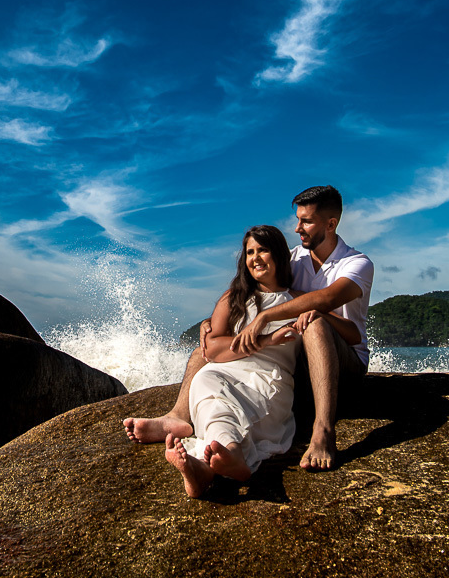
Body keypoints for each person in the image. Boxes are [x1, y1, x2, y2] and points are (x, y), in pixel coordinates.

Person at [125, 185, 374, 471]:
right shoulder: (293, 258)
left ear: (330, 224)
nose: (297, 228)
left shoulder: (356, 263)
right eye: (298, 220)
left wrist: (264, 319)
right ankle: (178, 416)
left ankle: (323, 431)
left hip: (340, 366)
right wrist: (212, 322)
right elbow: (259, 285)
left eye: (306, 221)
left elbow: (327, 300)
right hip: (298, 363)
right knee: (202, 354)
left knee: (315, 321)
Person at [163, 224, 301, 497]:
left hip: (269, 381)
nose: (256, 258)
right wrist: (264, 341)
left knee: (225, 401)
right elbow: (213, 349)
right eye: (250, 252)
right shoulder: (235, 298)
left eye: (263, 250)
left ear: (279, 254)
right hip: (226, 372)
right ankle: (223, 459)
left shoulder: (297, 302)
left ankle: (208, 468)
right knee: (206, 379)